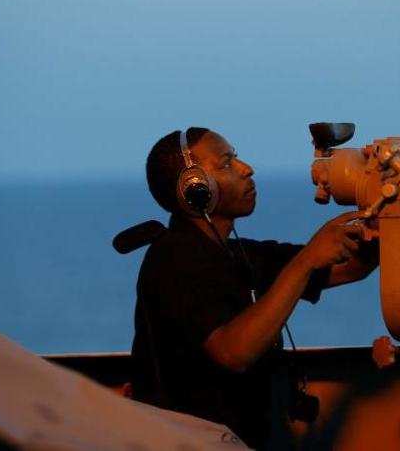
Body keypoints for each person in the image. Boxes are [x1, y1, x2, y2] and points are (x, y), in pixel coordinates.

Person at [130, 127, 379, 449]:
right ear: (194, 188)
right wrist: (306, 262)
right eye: (227, 163)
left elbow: (353, 267)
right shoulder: (172, 259)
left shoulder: (239, 255)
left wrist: (394, 207)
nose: (247, 169)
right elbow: (233, 352)